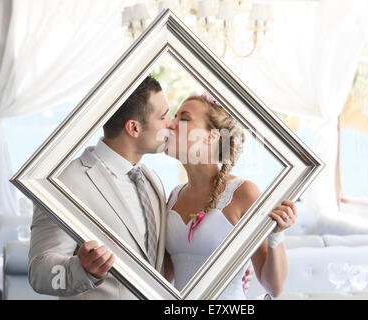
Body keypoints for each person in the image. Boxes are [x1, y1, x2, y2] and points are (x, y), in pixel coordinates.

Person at [28, 75, 253, 299]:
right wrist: (82, 270)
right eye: (164, 116)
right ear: (134, 128)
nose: (171, 124)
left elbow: (161, 268)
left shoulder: (153, 181)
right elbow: (39, 272)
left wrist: (232, 268)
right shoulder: (65, 183)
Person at [162, 93, 297, 299]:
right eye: (174, 116)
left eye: (184, 118)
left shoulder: (244, 193)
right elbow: (163, 278)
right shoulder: (173, 197)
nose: (171, 124)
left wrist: (276, 234)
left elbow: (274, 287)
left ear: (212, 137)